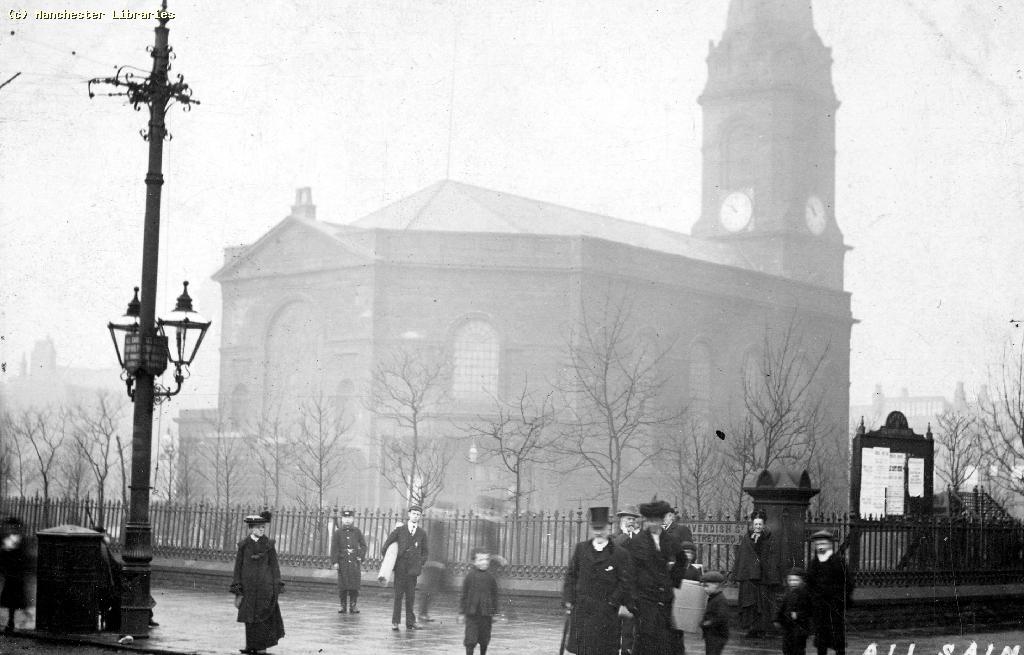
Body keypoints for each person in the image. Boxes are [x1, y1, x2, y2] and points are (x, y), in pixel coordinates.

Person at [562, 507, 634, 655]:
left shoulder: (620, 554)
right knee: (582, 650)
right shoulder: (581, 549)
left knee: (603, 650)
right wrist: (568, 599)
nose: (598, 532)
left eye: (601, 528)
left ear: (609, 528)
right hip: (582, 611)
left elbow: (625, 582)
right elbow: (571, 576)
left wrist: (613, 602)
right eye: (595, 528)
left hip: (606, 614)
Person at [622, 499, 686, 655]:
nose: (653, 524)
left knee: (665, 635)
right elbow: (628, 572)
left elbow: (682, 559)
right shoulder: (637, 541)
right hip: (644, 597)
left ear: (662, 520)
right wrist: (631, 597)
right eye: (649, 521)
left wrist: (672, 581)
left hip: (664, 596)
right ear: (645, 521)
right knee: (645, 635)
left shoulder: (670, 540)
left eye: (656, 520)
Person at [230, 511, 285, 654]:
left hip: (265, 589)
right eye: (259, 527)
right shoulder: (243, 545)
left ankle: (261, 647)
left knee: (263, 619)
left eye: (263, 527)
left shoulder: (268, 545)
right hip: (248, 590)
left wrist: (276, 585)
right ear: (251, 528)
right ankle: (250, 646)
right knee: (250, 619)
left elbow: (274, 566)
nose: (262, 530)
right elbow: (238, 567)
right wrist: (238, 588)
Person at [731, 509, 782, 638]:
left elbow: (771, 557)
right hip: (750, 577)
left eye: (760, 524)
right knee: (751, 604)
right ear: (752, 525)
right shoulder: (747, 538)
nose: (758, 527)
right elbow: (744, 556)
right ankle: (752, 629)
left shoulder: (769, 538)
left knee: (763, 605)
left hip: (764, 578)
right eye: (756, 524)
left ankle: (763, 630)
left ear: (764, 524)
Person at [380, 505, 428, 631]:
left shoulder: (422, 533)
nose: (415, 516)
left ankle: (410, 622)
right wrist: (391, 562)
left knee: (411, 596)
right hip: (400, 569)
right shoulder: (399, 530)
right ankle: (395, 622)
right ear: (409, 514)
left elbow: (425, 552)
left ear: (420, 516)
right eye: (413, 513)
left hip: (413, 571)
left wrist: (420, 563)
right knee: (398, 596)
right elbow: (385, 546)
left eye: (418, 514)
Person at [806, 531, 854, 655]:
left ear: (830, 545)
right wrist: (813, 601)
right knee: (821, 639)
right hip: (819, 608)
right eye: (817, 544)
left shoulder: (838, 562)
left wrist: (839, 600)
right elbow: (809, 584)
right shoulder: (813, 564)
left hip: (835, 607)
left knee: (837, 638)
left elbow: (848, 583)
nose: (820, 546)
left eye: (823, 543)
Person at [612, 505, 641, 655]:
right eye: (628, 519)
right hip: (616, 590)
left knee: (630, 631)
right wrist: (626, 536)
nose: (631, 522)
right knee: (613, 630)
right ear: (621, 520)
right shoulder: (615, 537)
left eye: (633, 519)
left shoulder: (639, 538)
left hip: (632, 591)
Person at [460, 547, 499, 655]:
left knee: (484, 639)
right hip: (472, 614)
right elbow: (464, 595)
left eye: (486, 559)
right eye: (481, 560)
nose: (484, 562)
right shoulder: (469, 577)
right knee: (470, 640)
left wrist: (495, 613)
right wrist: (462, 613)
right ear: (474, 562)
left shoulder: (491, 578)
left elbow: (494, 596)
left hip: (486, 614)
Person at [330, 510, 367, 614]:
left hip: (354, 562)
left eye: (349, 518)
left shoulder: (357, 531)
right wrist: (335, 562)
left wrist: (360, 556)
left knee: (354, 585)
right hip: (343, 562)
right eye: (345, 518)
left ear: (353, 519)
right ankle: (343, 605)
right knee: (342, 585)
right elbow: (334, 547)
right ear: (342, 519)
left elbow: (363, 545)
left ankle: (353, 605)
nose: (347, 520)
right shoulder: (338, 532)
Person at [0, 517, 29, 633]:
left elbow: (24, 557)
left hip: (17, 573)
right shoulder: (6, 540)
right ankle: (11, 621)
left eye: (15, 527)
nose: (12, 529)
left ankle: (13, 621)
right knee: (9, 599)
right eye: (11, 527)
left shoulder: (21, 540)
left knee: (16, 598)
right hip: (10, 574)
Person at [775, 567, 812, 655]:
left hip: (800, 627)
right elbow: (782, 607)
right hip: (788, 626)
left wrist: (799, 615)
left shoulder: (805, 594)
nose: (793, 582)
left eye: (796, 580)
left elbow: (810, 610)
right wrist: (777, 618)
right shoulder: (788, 593)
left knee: (798, 649)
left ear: (802, 581)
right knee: (786, 648)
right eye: (790, 580)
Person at [700, 571, 729, 655]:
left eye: (707, 586)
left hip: (717, 635)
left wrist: (707, 623)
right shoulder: (714, 597)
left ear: (716, 585)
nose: (705, 589)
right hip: (713, 634)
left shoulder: (720, 600)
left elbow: (721, 617)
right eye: (704, 586)